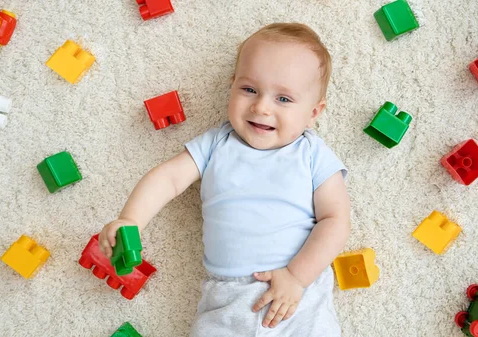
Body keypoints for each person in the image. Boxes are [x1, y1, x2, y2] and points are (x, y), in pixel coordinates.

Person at [98, 22, 351, 337]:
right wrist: (130, 219)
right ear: (232, 86)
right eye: (249, 90)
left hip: (299, 299)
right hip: (226, 300)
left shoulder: (312, 153)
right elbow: (168, 178)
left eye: (283, 99)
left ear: (314, 112)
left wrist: (296, 277)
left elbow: (335, 219)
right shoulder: (216, 144)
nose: (261, 107)